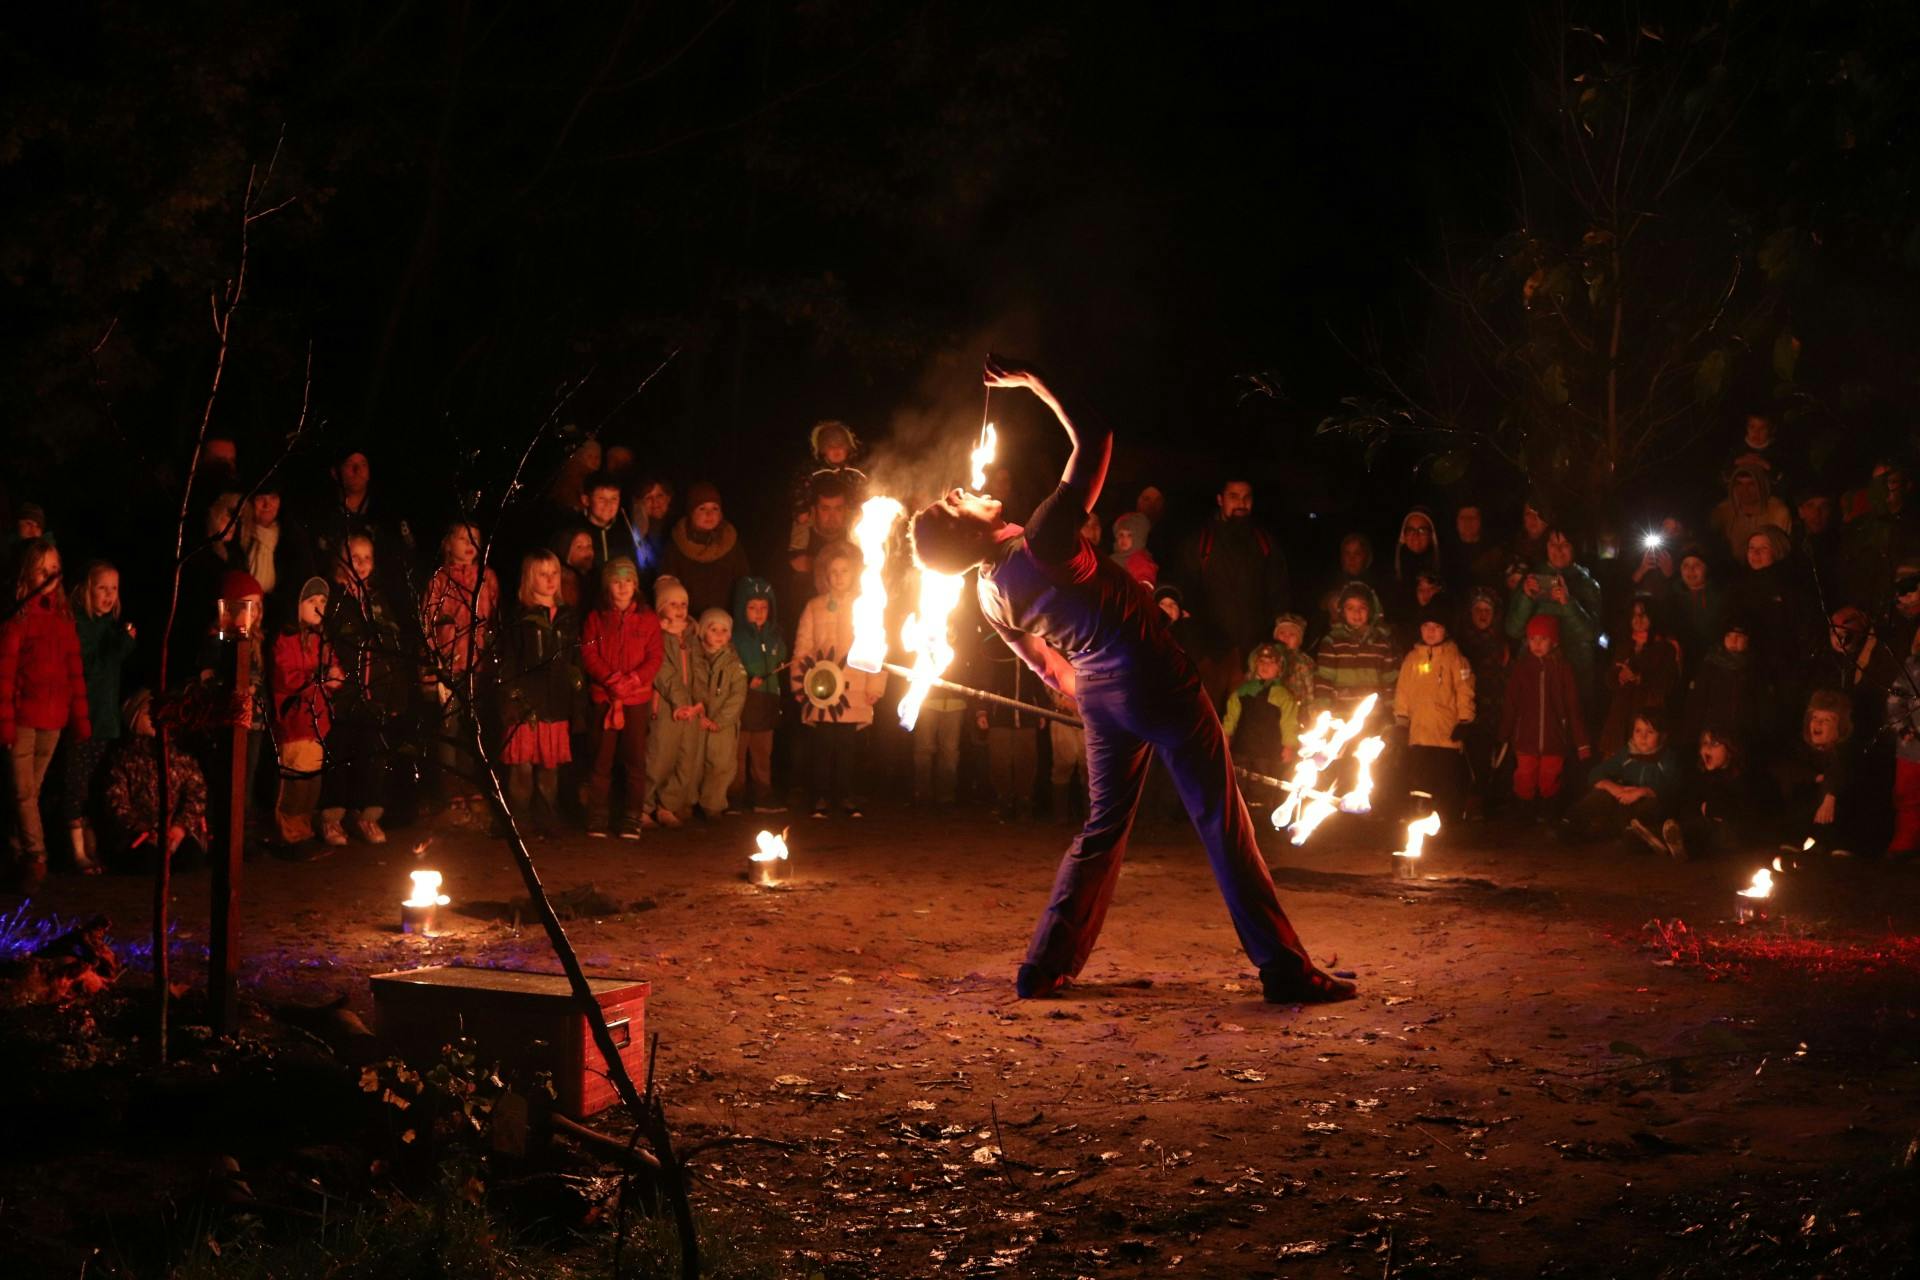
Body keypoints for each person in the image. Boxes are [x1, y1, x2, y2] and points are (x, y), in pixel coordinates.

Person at [908, 355, 1352, 1004]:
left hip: (1101, 696)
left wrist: (1094, 689)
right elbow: (1095, 437)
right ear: (965, 531)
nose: (962, 488)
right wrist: (1032, 377)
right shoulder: (1041, 539)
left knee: (1102, 831)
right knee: (1222, 823)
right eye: (955, 502)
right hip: (1155, 679)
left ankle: (1045, 966)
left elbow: (1043, 665)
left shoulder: (988, 593)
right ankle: (1284, 967)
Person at [1, 540, 90, 886]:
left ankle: (16, 848)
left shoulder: (63, 618)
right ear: (28, 573)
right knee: (24, 793)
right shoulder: (20, 619)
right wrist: (5, 724)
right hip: (24, 718)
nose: (51, 575)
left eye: (55, 569)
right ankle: (37, 857)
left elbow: (74, 670)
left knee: (30, 793)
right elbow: (6, 675)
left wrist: (80, 719)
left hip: (52, 720)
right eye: (43, 569)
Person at [324, 535, 411, 845]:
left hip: (375, 697)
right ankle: (332, 819)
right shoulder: (332, 600)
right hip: (342, 696)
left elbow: (392, 648)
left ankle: (367, 817)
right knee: (338, 758)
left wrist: (396, 693)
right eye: (353, 557)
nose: (360, 565)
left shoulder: (378, 601)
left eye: (366, 558)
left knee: (373, 759)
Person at [791, 542, 885, 819]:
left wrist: (875, 687)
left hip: (854, 689)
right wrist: (799, 685)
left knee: (847, 748)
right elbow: (802, 647)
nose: (839, 577)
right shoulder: (814, 606)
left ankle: (846, 797)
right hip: (820, 689)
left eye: (844, 571)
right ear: (825, 575)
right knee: (822, 747)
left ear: (854, 573)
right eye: (833, 572)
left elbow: (878, 647)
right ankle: (820, 797)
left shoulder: (867, 605)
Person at [1178, 477, 1289, 708]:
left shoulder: (1264, 542)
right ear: (1220, 500)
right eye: (1233, 496)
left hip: (1252, 653)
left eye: (1246, 497)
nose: (1241, 503)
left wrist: (1275, 640)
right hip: (1210, 652)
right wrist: (1198, 648)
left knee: (1244, 723)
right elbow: (1185, 590)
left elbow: (1278, 591)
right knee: (1205, 718)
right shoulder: (1200, 542)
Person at [420, 521, 500, 826]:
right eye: (463, 538)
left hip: (477, 667)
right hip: (449, 666)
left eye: (476, 539)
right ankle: (450, 791)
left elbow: (493, 620)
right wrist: (434, 662)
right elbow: (428, 621)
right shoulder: (440, 580)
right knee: (449, 730)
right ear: (447, 544)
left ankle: (473, 787)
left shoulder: (487, 578)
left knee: (473, 729)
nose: (470, 544)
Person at [498, 550, 582, 837]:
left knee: (550, 768)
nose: (550, 580)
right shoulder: (521, 617)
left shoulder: (569, 618)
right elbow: (510, 659)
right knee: (521, 768)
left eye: (554, 573)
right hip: (526, 704)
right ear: (529, 578)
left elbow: (574, 662)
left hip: (556, 703)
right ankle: (517, 822)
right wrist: (511, 698)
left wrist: (576, 703)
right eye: (542, 574)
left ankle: (547, 820)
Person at [579, 558, 663, 838]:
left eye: (628, 580)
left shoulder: (648, 619)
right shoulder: (595, 618)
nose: (623, 586)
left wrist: (634, 679)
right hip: (605, 697)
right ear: (607, 586)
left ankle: (631, 817)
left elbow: (655, 656)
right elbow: (589, 654)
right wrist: (611, 679)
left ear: (636, 584)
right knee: (601, 760)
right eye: (617, 581)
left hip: (636, 700)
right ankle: (597, 816)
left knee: (635, 760)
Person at [67, 561, 136, 873]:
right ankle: (76, 852)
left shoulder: (110, 626)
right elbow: (89, 669)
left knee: (95, 787)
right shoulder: (80, 626)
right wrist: (118, 646)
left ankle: (94, 850)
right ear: (87, 590)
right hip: (84, 719)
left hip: (105, 721)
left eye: (114, 589)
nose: (109, 595)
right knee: (76, 786)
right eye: (102, 588)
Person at [101, 689, 208, 873]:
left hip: (175, 833)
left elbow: (197, 793)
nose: (153, 718)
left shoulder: (177, 756)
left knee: (191, 860)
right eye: (146, 713)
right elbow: (116, 802)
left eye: (157, 713)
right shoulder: (124, 759)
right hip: (140, 836)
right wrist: (145, 830)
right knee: (148, 863)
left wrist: (180, 827)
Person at [270, 578, 342, 848]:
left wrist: (335, 676)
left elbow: (332, 665)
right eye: (312, 601)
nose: (319, 607)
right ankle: (288, 833)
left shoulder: (319, 639)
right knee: (296, 781)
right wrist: (318, 677)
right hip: (295, 721)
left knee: (312, 782)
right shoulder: (284, 639)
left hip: (317, 722)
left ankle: (303, 830)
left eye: (323, 602)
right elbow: (286, 677)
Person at [1500, 614, 1591, 820]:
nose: (1537, 644)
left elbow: (1572, 707)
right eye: (1533, 639)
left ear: (1554, 641)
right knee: (1524, 776)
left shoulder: (1562, 669)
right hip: (1526, 738)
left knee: (1550, 777)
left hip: (1554, 738)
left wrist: (1582, 743)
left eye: (1543, 638)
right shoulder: (1522, 668)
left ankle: (1548, 813)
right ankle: (1524, 813)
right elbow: (1511, 703)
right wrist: (1504, 734)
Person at [1393, 603, 1475, 821]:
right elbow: (1403, 691)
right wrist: (1401, 720)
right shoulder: (1412, 659)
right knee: (1420, 777)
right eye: (1426, 626)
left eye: (1436, 627)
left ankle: (1446, 818)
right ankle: (1419, 816)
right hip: (1419, 733)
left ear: (1445, 630)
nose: (1430, 631)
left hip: (1446, 735)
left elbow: (1464, 690)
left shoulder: (1455, 659)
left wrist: (1465, 720)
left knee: (1445, 778)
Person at [1505, 529, 1603, 703]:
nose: (1558, 551)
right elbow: (1513, 629)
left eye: (1564, 545)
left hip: (1575, 674)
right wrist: (1527, 597)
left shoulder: (1587, 584)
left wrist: (1568, 603)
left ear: (1574, 548)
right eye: (1553, 544)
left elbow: (1592, 633)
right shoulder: (1532, 578)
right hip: (1536, 673)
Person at [1559, 711, 1681, 851]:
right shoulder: (1626, 754)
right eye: (1638, 731)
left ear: (1663, 736)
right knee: (1600, 792)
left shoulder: (1667, 759)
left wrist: (1643, 791)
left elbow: (1673, 787)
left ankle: (1640, 836)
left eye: (1650, 732)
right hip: (1623, 804)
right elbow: (1596, 773)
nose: (1642, 737)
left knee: (1653, 806)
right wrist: (1613, 787)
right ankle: (1570, 822)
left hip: (1648, 809)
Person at [643, 575, 706, 828]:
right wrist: (680, 702)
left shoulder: (691, 636)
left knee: (685, 761)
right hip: (667, 708)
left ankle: (667, 805)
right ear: (661, 607)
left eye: (683, 604)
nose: (680, 610)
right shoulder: (657, 635)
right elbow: (662, 671)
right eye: (673, 604)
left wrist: (701, 701)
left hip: (690, 709)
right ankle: (643, 806)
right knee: (658, 759)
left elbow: (700, 668)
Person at [730, 576, 788, 813]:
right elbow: (731, 665)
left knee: (763, 752)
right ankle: (734, 795)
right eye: (752, 608)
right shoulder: (736, 638)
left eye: (764, 608)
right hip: (744, 701)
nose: (759, 613)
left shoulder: (774, 636)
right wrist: (746, 679)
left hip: (767, 702)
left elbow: (781, 654)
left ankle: (763, 795)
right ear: (742, 608)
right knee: (737, 753)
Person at [1598, 595, 1682, 755]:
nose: (1638, 619)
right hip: (1620, 716)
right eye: (1634, 615)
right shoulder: (1625, 644)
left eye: (1643, 614)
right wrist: (1619, 676)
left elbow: (1667, 683)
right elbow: (1610, 677)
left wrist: (1639, 678)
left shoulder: (1665, 647)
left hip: (1646, 716)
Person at [1776, 689, 1856, 857]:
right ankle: (1797, 841)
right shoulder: (1801, 750)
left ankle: (1839, 845)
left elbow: (1839, 772)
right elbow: (1787, 770)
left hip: (1838, 821)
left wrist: (1830, 795)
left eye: (1826, 720)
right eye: (1815, 718)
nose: (1818, 724)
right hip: (1806, 818)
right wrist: (1813, 777)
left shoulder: (1844, 753)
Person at [1664, 729, 1761, 861]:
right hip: (1708, 828)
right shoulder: (1703, 777)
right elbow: (1692, 805)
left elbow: (1744, 813)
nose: (1707, 749)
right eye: (1704, 743)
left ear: (1730, 749)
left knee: (1714, 831)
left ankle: (1683, 844)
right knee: (1686, 824)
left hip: (1736, 835)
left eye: (1714, 744)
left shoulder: (1744, 778)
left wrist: (1711, 809)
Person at [1222, 642, 1300, 806]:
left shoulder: (1284, 696)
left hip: (1267, 751)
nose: (1265, 666)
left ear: (1279, 668)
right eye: (1262, 662)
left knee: (1261, 783)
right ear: (1254, 664)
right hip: (1242, 747)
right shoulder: (1243, 691)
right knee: (1238, 777)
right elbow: (1231, 714)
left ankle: (1258, 812)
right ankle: (1236, 808)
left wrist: (1289, 746)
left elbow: (1289, 723)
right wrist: (1226, 734)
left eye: (1271, 663)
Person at [661, 482, 752, 618]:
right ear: (691, 513)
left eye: (715, 508)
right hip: (687, 624)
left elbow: (744, 583)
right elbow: (667, 586)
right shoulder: (676, 545)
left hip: (724, 625)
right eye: (702, 508)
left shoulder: (731, 543)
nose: (709, 514)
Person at [1456, 588, 1509, 817]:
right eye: (1478, 609)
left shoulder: (1501, 644)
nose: (1482, 615)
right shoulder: (1460, 643)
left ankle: (1483, 805)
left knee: (1487, 760)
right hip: (1465, 712)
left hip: (1492, 712)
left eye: (1487, 610)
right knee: (1466, 761)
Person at [1313, 582, 1395, 723]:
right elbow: (1324, 680)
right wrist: (1322, 711)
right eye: (1350, 608)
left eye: (1362, 608)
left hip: (1374, 717)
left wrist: (1391, 711)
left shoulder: (1382, 642)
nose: (1356, 613)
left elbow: (1390, 680)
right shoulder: (1332, 641)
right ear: (1342, 611)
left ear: (1371, 610)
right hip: (1341, 717)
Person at [695, 608, 747, 817]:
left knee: (721, 764)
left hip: (721, 726)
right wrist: (699, 715)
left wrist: (720, 721)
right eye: (713, 629)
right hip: (699, 721)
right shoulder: (695, 658)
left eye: (724, 630)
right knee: (694, 762)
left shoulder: (734, 664)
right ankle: (688, 800)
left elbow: (737, 696)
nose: (718, 635)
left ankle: (713, 804)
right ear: (702, 632)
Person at [1711, 462, 1793, 565]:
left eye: (1751, 484)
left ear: (1761, 485)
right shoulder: (1722, 512)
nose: (1745, 490)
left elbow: (1782, 550)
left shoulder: (1778, 511)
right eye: (1739, 484)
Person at [574, 470, 638, 571]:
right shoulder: (573, 532)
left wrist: (619, 578)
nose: (608, 505)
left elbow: (631, 570)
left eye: (614, 499)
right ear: (586, 500)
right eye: (601, 499)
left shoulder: (626, 529)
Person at [1268, 612, 1316, 722]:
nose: (1286, 637)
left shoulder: (1303, 662)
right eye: (1282, 633)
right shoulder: (1266, 658)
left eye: (1292, 635)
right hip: (1271, 712)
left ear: (1299, 641)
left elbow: (1311, 690)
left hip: (1297, 713)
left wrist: (1311, 713)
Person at [1109, 511, 1157, 585]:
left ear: (1139, 538)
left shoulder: (1139, 558)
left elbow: (1145, 578)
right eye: (1121, 535)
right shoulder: (1114, 558)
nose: (1124, 539)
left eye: (1129, 535)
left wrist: (1144, 585)